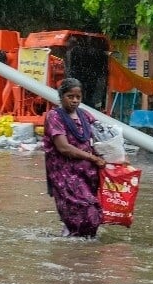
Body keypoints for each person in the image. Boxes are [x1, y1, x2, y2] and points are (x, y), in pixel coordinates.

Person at [43, 77, 107, 238]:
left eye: (78, 97)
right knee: (87, 209)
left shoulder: (85, 115)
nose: (74, 101)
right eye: (70, 96)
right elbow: (64, 148)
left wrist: (118, 156)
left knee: (89, 214)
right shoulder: (54, 117)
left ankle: (80, 252)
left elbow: (103, 136)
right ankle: (74, 249)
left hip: (88, 175)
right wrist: (92, 158)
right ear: (61, 96)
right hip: (66, 176)